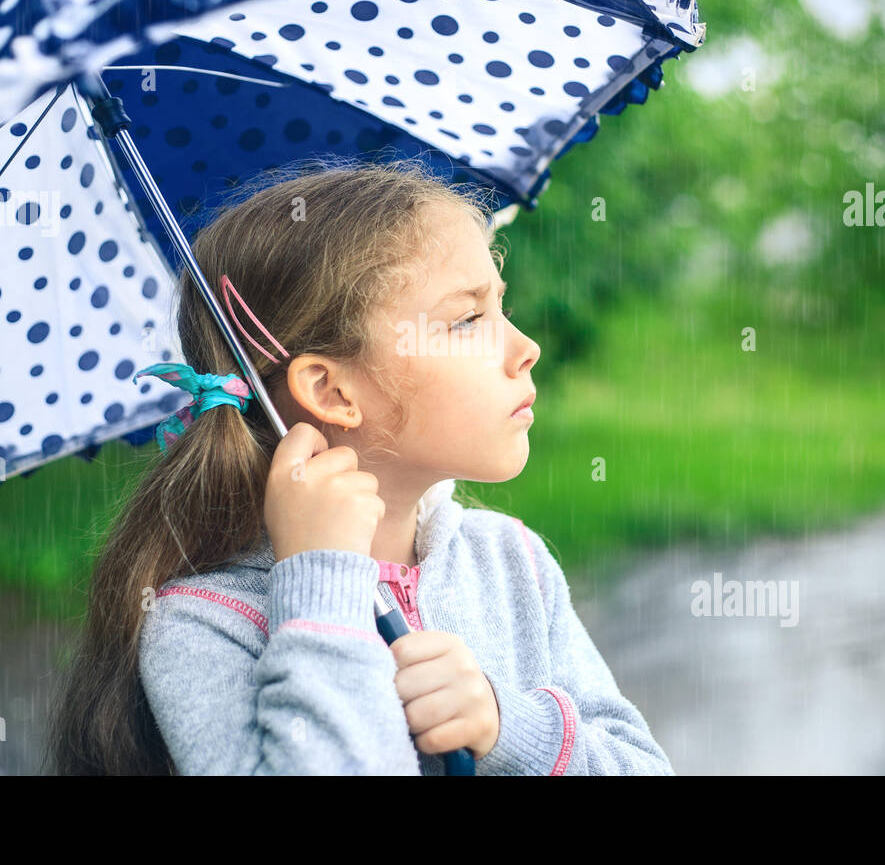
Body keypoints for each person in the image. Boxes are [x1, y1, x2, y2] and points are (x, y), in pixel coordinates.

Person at [46, 155, 673, 775]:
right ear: (332, 392)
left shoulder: (513, 564)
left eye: (500, 308)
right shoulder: (203, 624)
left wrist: (509, 727)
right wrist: (321, 582)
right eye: (467, 320)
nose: (526, 348)